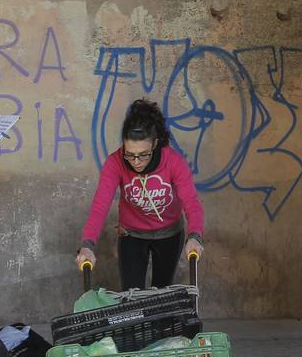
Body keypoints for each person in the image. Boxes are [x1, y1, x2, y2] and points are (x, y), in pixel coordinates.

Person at [76, 99, 205, 290]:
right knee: (131, 294)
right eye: (130, 154)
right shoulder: (115, 163)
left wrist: (195, 236)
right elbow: (100, 206)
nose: (136, 161)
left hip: (169, 233)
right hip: (131, 235)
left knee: (161, 293)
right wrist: (87, 244)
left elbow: (192, 203)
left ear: (155, 144)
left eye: (143, 154)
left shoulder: (174, 162)